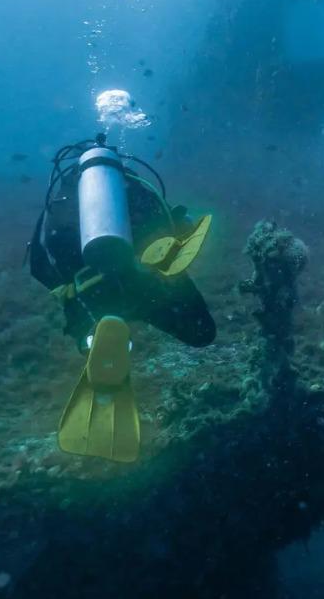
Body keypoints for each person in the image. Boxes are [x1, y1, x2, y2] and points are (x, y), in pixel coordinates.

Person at [25, 135, 216, 460]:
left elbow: (39, 264)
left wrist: (69, 295)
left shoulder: (58, 203)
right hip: (146, 288)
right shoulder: (135, 188)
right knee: (202, 332)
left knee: (85, 313)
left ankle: (91, 337)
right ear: (118, 163)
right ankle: (112, 324)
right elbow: (172, 228)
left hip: (90, 297)